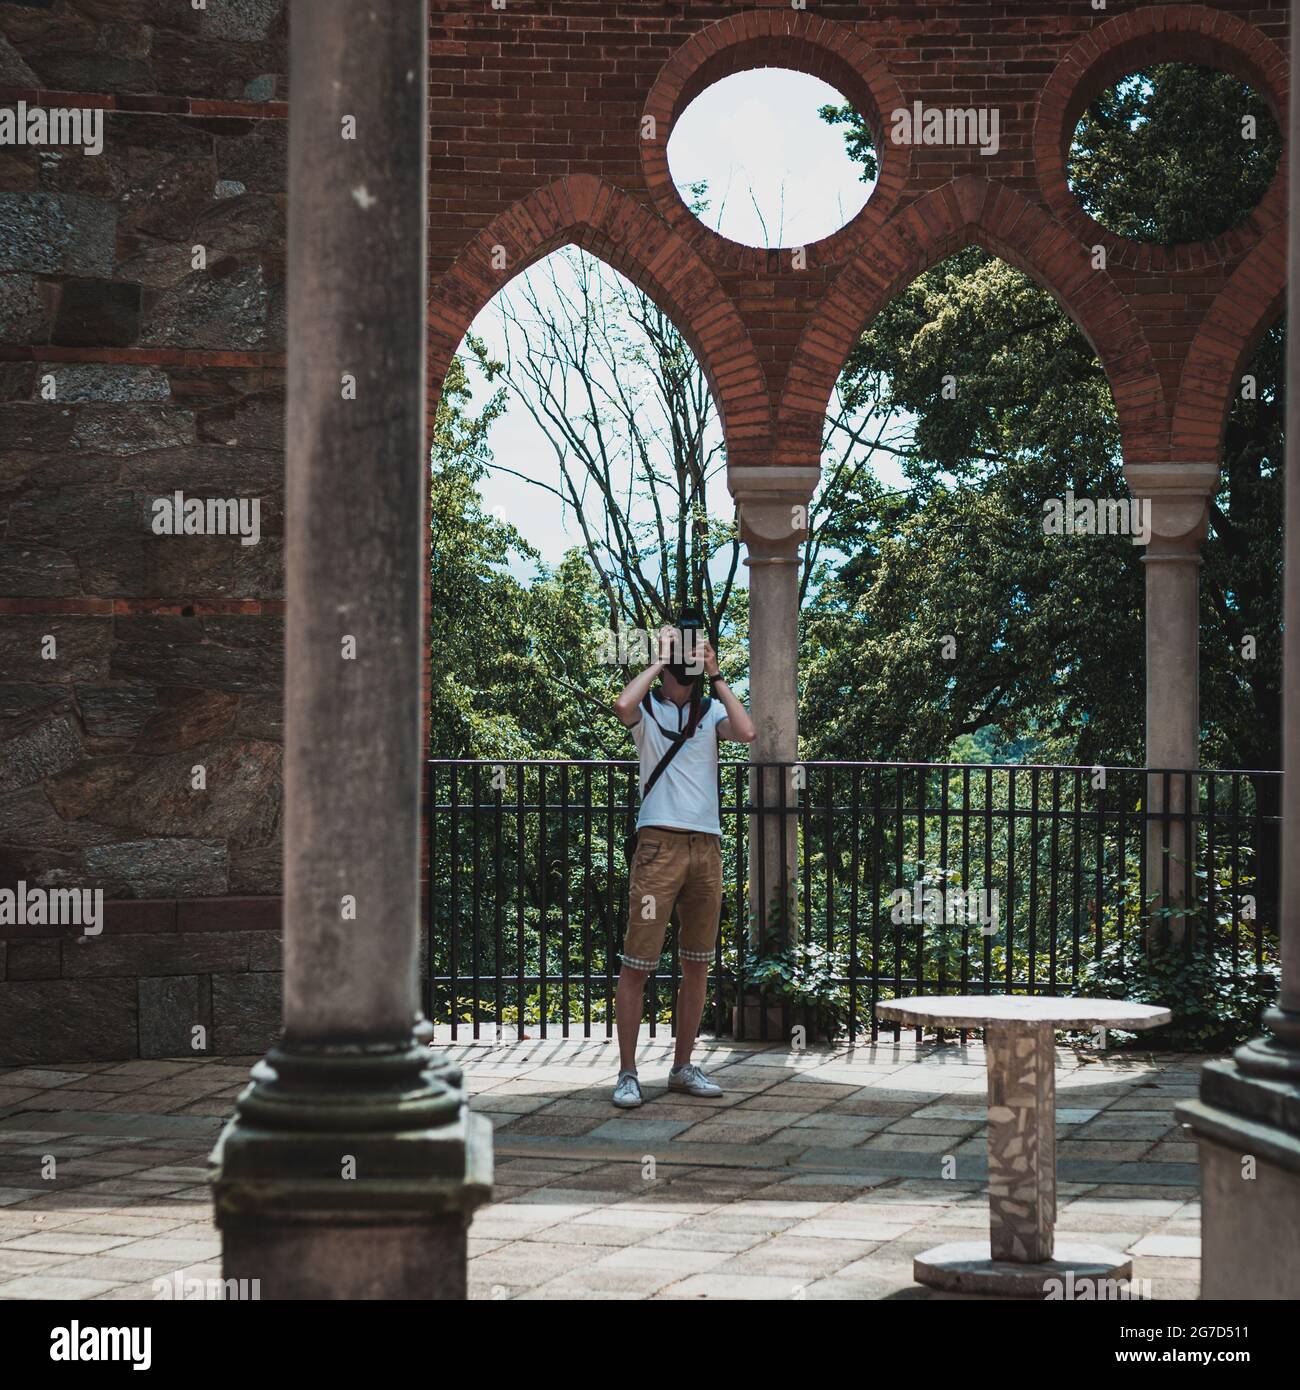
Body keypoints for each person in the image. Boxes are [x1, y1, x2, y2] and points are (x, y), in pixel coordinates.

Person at [610, 610, 756, 1108]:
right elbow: (621, 703)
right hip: (658, 846)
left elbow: (748, 732)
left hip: (706, 847)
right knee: (637, 963)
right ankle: (628, 1073)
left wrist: (716, 673)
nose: (684, 675)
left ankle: (682, 1066)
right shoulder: (648, 711)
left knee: (697, 963)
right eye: (682, 665)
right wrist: (656, 659)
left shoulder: (710, 713)